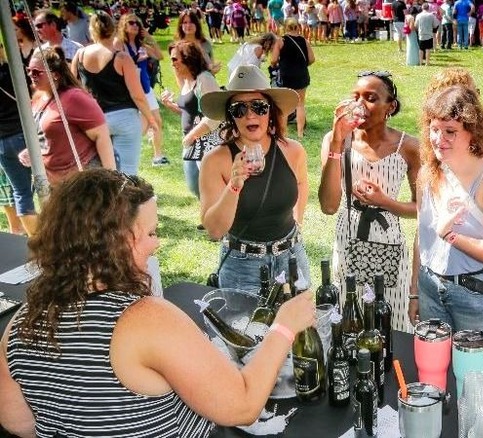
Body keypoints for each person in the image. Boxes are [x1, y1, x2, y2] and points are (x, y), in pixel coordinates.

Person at [0, 168, 316, 436]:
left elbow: (19, 423)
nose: (158, 243)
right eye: (150, 233)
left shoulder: (21, 323)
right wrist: (284, 326)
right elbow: (242, 406)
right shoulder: (144, 319)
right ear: (118, 242)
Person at [412, 85, 483, 351]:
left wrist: (452, 236)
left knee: (474, 379)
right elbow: (420, 239)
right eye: (434, 129)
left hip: (475, 294)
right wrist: (414, 293)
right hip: (430, 287)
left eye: (450, 132)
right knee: (435, 370)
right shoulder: (428, 173)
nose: (438, 138)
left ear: (472, 133)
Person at [318, 71, 420, 332]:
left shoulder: (408, 147)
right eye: (355, 97)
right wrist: (337, 142)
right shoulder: (336, 141)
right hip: (348, 240)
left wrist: (384, 201)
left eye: (370, 98)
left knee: (390, 325)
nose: (360, 104)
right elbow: (329, 206)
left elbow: (421, 209)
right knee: (348, 321)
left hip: (389, 244)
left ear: (390, 107)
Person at [199, 65, 309, 290]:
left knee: (299, 325)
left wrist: (299, 220)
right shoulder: (215, 160)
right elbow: (214, 230)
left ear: (270, 112)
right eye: (240, 109)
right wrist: (234, 186)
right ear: (231, 116)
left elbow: (301, 182)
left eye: (259, 106)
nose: (250, 114)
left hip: (291, 258)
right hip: (243, 265)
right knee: (246, 326)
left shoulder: (293, 150)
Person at [72, 11, 157, 176]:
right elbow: (137, 95)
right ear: (114, 29)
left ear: (91, 31)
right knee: (128, 174)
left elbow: (75, 89)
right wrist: (151, 119)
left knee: (102, 174)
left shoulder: (80, 55)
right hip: (125, 118)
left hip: (95, 119)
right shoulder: (122, 58)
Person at [26, 47, 115, 185]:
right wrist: (30, 151)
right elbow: (43, 136)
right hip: (53, 183)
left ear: (55, 74)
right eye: (29, 71)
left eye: (36, 72)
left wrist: (111, 180)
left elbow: (102, 135)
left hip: (83, 180)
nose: (31, 75)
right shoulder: (37, 99)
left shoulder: (73, 97)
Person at [160, 41, 221, 199]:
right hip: (191, 140)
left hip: (207, 141)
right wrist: (170, 105)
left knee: (210, 187)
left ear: (188, 58)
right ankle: (211, 217)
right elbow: (189, 111)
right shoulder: (187, 80)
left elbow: (215, 115)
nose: (172, 63)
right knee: (195, 186)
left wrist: (191, 136)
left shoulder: (204, 79)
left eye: (175, 59)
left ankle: (217, 220)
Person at [117, 14, 169, 167]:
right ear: (124, 26)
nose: (134, 26)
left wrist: (149, 37)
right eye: (131, 23)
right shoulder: (120, 45)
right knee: (143, 125)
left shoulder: (142, 46)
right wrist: (134, 61)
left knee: (156, 121)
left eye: (137, 23)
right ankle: (121, 152)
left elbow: (160, 56)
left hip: (146, 89)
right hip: (130, 91)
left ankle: (158, 156)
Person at [0, 42, 37, 236]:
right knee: (43, 183)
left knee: (21, 191)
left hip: (2, 142)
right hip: (23, 134)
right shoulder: (12, 70)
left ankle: (35, 238)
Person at [269, 19, 315, 139]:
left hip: (286, 75)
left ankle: (284, 134)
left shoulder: (281, 41)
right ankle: (300, 133)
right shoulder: (304, 40)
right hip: (302, 74)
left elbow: (273, 60)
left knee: (285, 106)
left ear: (286, 27)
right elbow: (311, 59)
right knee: (300, 104)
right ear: (297, 27)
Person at [176, 9, 222, 74]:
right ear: (181, 25)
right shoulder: (178, 47)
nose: (188, 25)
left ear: (197, 24)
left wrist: (214, 68)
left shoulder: (205, 43)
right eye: (185, 22)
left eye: (191, 22)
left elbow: (211, 66)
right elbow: (179, 74)